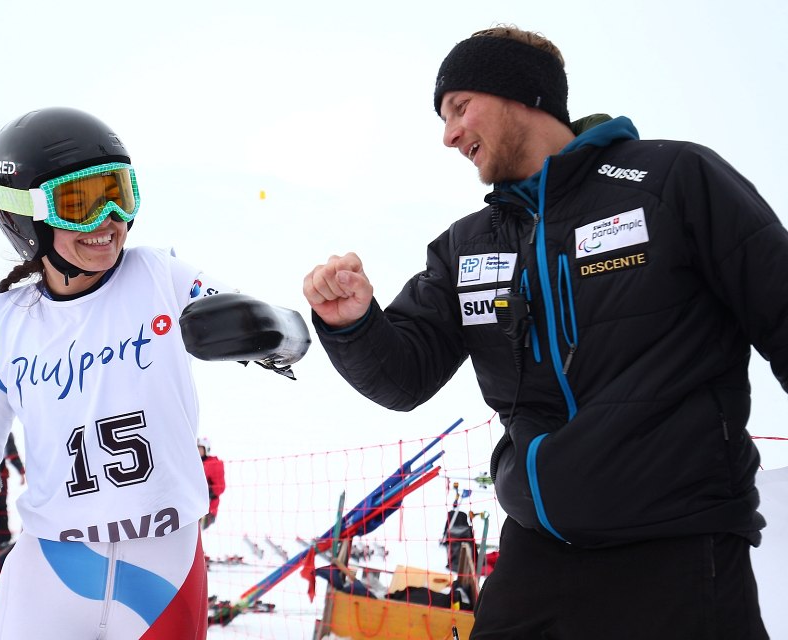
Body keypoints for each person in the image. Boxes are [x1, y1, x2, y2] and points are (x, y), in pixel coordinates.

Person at [303, 25, 779, 639]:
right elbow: (404, 376)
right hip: (537, 552)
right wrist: (353, 325)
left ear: (521, 93)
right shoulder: (467, 244)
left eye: (458, 107)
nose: (449, 135)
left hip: (680, 548)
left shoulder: (673, 180)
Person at [0, 106, 309, 640]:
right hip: (52, 565)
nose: (106, 220)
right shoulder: (8, 321)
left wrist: (267, 327)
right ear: (26, 219)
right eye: (80, 202)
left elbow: (286, 338)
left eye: (118, 194)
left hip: (163, 565)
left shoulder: (161, 277)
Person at [0, 433, 25, 547]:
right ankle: (2, 538)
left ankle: (2, 538)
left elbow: (11, 452)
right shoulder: (4, 429)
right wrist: (21, 471)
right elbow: (11, 452)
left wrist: (21, 471)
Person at [197, 437, 225, 530]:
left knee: (198, 533)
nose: (198, 451)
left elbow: (220, 487)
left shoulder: (214, 464)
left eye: (200, 449)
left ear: (206, 449)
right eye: (196, 448)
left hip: (208, 509)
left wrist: (207, 491)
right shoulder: (194, 463)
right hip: (194, 505)